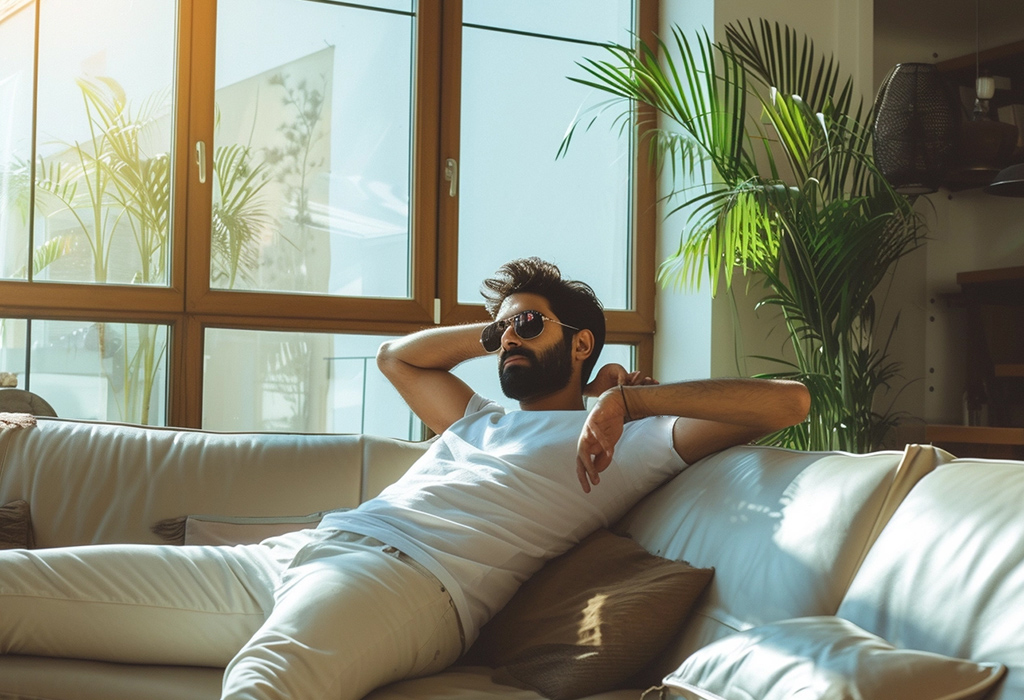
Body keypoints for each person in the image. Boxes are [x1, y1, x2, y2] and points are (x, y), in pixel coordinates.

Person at [0, 257, 810, 700]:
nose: (508, 343)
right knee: (17, 587)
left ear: (583, 345)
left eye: (531, 326)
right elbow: (401, 357)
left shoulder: (623, 440)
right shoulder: (480, 420)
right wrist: (493, 326)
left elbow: (788, 400)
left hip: (410, 587)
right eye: (503, 332)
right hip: (294, 554)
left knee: (264, 685)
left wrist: (631, 401)